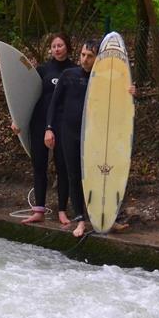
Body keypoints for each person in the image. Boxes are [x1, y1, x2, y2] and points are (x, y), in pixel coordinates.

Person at [12, 33, 74, 226]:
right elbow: (27, 96)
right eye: (54, 46)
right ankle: (38, 210)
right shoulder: (42, 70)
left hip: (63, 124)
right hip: (39, 122)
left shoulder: (75, 71)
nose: (57, 49)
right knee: (39, 167)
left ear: (68, 48)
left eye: (60, 45)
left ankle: (62, 211)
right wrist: (18, 120)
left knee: (63, 168)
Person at [44, 39, 97, 237]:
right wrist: (49, 129)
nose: (85, 59)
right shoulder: (69, 75)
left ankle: (102, 218)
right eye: (83, 55)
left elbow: (120, 98)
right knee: (73, 176)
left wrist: (131, 92)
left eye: (90, 56)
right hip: (69, 132)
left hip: (92, 135)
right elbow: (53, 104)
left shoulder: (102, 78)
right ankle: (80, 220)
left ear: (97, 58)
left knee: (95, 176)